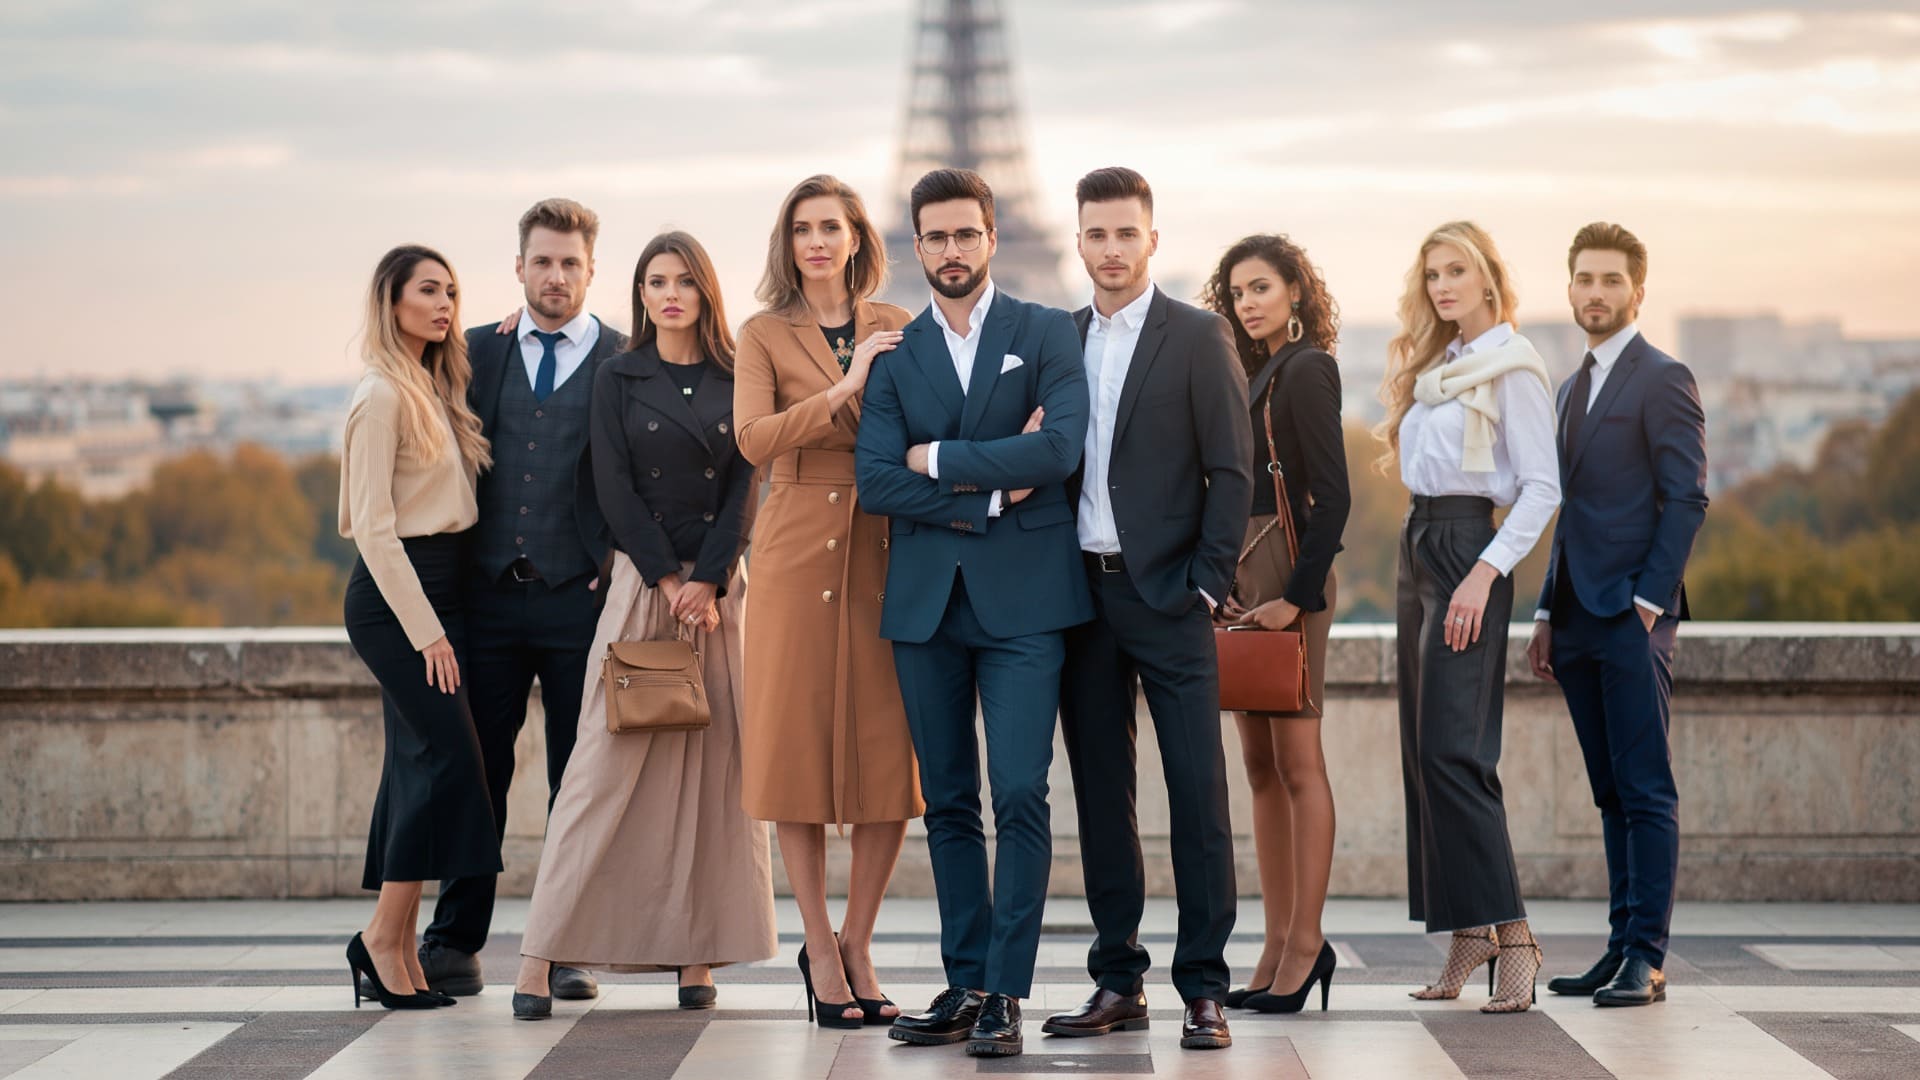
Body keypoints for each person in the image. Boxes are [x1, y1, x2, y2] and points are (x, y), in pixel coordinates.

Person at [855, 167, 1091, 1058]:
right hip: (926, 610)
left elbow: (1060, 448)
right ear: (917, 247)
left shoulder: (1045, 331)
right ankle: (964, 981)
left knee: (1021, 793)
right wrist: (991, 491)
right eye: (936, 237)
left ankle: (1006, 990)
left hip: (1026, 608)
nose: (952, 251)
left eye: (966, 234)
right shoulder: (895, 350)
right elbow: (875, 479)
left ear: (993, 238)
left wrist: (938, 456)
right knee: (949, 803)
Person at [509, 232, 776, 1020]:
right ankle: (537, 958)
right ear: (640, 292)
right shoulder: (616, 376)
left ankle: (699, 959)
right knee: (597, 775)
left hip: (721, 596)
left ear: (705, 293)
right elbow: (612, 485)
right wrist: (667, 577)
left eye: (684, 281)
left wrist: (708, 579)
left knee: (715, 779)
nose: (670, 294)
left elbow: (745, 486)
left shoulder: (739, 377)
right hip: (642, 587)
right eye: (656, 281)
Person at [1041, 168, 1251, 1052]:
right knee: (1100, 796)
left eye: (1128, 234)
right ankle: (1117, 978)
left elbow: (1232, 470)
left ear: (1152, 240)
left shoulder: (1199, 337)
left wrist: (1204, 582)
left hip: (1167, 595)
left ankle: (1203, 985)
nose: (1113, 249)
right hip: (1079, 596)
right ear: (1079, 241)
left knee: (1198, 793)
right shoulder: (1057, 339)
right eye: (1097, 234)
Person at [418, 198, 625, 1002]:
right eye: (542, 261)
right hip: (488, 600)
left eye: (571, 262)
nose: (556, 275)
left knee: (579, 779)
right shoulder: (474, 353)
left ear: (591, 270)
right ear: (518, 268)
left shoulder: (623, 357)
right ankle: (454, 939)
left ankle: (566, 946)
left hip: (582, 600)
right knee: (477, 772)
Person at [733, 175, 922, 1028]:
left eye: (831, 227)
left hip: (885, 542)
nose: (817, 241)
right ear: (790, 242)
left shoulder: (896, 324)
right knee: (798, 752)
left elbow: (931, 419)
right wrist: (845, 393)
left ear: (856, 240)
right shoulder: (763, 333)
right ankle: (816, 945)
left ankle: (858, 939)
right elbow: (753, 440)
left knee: (891, 757)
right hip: (792, 542)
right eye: (803, 228)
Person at [1375, 221, 1560, 1013]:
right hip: (1420, 545)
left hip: (1467, 553)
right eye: (1433, 274)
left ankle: (1514, 936)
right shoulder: (1442, 367)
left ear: (1489, 278)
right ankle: (1465, 935)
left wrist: (1484, 574)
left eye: (1458, 271)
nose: (1443, 286)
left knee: (1458, 752)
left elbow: (1542, 489)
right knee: (1425, 753)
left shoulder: (1513, 367)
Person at [1531, 223, 1707, 1008]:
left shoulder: (1664, 377)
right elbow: (1566, 512)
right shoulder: (1570, 388)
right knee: (1608, 792)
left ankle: (1649, 955)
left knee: (1645, 789)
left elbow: (1688, 496)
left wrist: (1647, 602)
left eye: (1610, 280)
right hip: (1573, 617)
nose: (1595, 293)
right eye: (1584, 279)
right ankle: (1616, 946)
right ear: (1569, 289)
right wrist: (1543, 610)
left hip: (1631, 617)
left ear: (1638, 291)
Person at [339, 244, 498, 1009]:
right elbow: (372, 529)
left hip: (445, 591)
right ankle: (382, 935)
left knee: (416, 766)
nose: (444, 304)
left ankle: (394, 944)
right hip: (398, 600)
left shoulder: (433, 385)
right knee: (447, 764)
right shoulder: (380, 395)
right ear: (391, 301)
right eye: (428, 291)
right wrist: (427, 632)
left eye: (452, 292)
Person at [1202, 233, 1351, 1013]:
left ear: (1296, 289)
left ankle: (1306, 942)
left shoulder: (1307, 369)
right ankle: (1273, 938)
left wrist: (1296, 597)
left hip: (1289, 576)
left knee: (1297, 760)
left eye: (1261, 287)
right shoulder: (1250, 371)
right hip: (1241, 578)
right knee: (1257, 766)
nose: (1248, 302)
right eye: (1236, 292)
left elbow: (1333, 495)